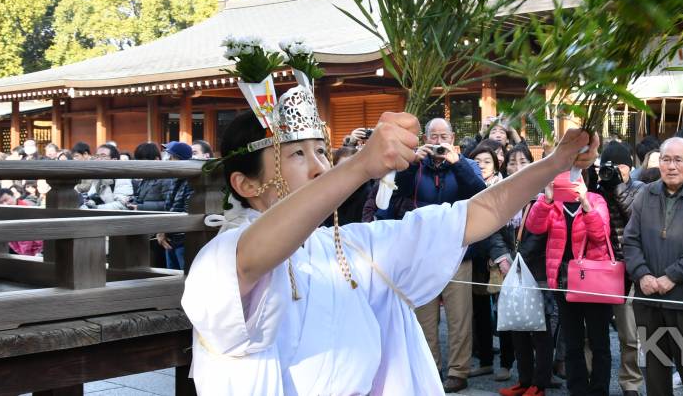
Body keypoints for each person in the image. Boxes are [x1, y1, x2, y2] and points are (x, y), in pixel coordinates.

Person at [181, 91, 599, 394]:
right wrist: (362, 166)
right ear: (245, 182)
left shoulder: (348, 247)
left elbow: (474, 216)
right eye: (296, 155)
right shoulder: (222, 257)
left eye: (322, 152)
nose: (320, 168)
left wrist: (555, 162)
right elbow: (250, 261)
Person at [385, 117, 486, 393]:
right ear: (425, 139)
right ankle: (429, 365)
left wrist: (458, 163)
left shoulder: (466, 165)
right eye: (433, 137)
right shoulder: (414, 166)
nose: (439, 143)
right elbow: (394, 197)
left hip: (457, 249)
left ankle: (458, 370)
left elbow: (481, 195)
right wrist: (411, 164)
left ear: (452, 139)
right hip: (421, 251)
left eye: (444, 137)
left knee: (459, 315)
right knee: (424, 313)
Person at [623, 136, 683, 396]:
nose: (671, 166)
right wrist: (642, 274)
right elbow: (630, 241)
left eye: (678, 160)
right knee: (654, 369)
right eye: (666, 159)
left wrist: (672, 276)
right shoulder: (646, 194)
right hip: (649, 297)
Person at [525, 169, 612, 396]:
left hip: (594, 282)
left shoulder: (596, 200)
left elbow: (601, 234)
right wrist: (546, 198)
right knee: (572, 342)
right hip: (563, 281)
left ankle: (599, 390)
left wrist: (585, 202)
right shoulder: (551, 203)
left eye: (575, 176)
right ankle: (578, 390)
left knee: (599, 341)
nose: (568, 181)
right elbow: (534, 227)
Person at [498, 146, 554, 396]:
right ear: (505, 166)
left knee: (539, 327)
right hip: (509, 268)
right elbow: (492, 232)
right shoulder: (500, 196)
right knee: (516, 325)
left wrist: (517, 258)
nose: (517, 166)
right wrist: (502, 258)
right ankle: (524, 379)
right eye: (512, 162)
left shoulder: (542, 195)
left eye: (524, 161)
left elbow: (541, 234)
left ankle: (539, 383)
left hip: (537, 270)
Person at [594, 140, 644, 396]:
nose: (615, 172)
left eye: (621, 166)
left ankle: (630, 383)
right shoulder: (596, 188)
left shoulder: (640, 189)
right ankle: (594, 380)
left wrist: (617, 189)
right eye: (608, 167)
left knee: (629, 334)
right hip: (600, 267)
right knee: (594, 331)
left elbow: (637, 220)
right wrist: (599, 186)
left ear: (630, 167)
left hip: (628, 268)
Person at [469, 142, 515, 381]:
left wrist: (500, 254)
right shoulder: (468, 187)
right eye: (477, 162)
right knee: (479, 312)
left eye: (487, 162)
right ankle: (485, 360)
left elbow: (498, 227)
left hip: (499, 257)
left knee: (503, 310)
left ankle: (506, 362)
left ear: (497, 165)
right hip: (475, 257)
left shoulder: (503, 188)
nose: (483, 166)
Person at [158, 141, 194, 270]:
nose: (167, 160)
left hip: (183, 238)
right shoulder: (175, 179)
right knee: (171, 276)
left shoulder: (191, 181)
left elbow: (186, 209)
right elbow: (168, 207)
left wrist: (164, 229)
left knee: (184, 276)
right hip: (171, 237)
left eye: (171, 157)